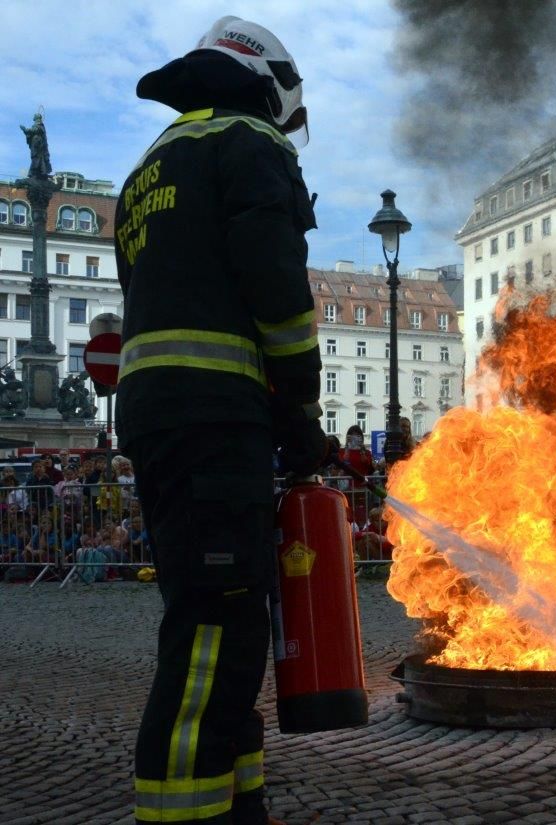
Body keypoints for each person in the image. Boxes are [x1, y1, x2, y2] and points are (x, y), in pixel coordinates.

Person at [115, 17, 322, 825]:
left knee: (224, 625)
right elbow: (277, 289)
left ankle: (240, 808)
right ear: (266, 81)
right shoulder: (248, 145)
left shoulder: (150, 168)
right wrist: (298, 406)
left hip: (165, 420)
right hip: (215, 417)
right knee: (211, 634)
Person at [338, 425, 375, 525]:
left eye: (357, 435)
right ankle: (348, 524)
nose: (355, 437)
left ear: (361, 438)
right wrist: (346, 451)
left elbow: (370, 468)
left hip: (362, 485)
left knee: (364, 507)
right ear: (348, 437)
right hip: (347, 487)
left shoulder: (366, 452)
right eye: (352, 435)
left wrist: (364, 456)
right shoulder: (342, 451)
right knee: (348, 506)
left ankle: (363, 524)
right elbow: (341, 466)